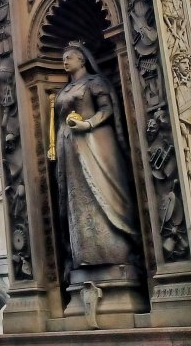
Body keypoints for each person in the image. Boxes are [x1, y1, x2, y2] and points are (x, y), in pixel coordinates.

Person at [54, 41, 139, 280]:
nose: (65, 60)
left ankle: (116, 251)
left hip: (94, 143)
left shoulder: (96, 82)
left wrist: (87, 124)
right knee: (76, 200)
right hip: (70, 149)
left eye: (69, 56)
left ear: (82, 59)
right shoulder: (64, 90)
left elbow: (107, 108)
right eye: (63, 57)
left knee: (103, 191)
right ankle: (82, 255)